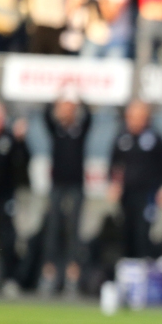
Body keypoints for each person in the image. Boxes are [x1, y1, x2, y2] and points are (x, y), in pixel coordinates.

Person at [40, 95, 93, 297]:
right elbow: (46, 115)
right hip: (57, 185)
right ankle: (49, 273)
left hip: (76, 185)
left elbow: (89, 117)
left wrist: (79, 98)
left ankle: (72, 275)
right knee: (53, 229)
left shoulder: (79, 131)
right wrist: (58, 96)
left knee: (74, 230)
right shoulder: (57, 131)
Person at [107, 101, 162, 259]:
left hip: (148, 194)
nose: (135, 121)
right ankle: (127, 265)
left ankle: (143, 264)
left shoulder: (155, 138)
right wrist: (113, 184)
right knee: (126, 230)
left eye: (140, 117)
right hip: (127, 194)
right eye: (132, 117)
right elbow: (114, 165)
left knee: (143, 231)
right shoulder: (122, 138)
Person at [0, 99, 30, 297]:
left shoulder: (10, 139)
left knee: (8, 240)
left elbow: (23, 166)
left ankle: (10, 279)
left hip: (3, 198)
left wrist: (21, 141)